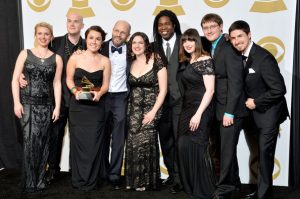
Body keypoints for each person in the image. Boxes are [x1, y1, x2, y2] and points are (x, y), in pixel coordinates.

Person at [19, 13, 85, 182]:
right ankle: (52, 171)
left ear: (82, 25)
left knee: (78, 138)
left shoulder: (89, 44)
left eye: (76, 21)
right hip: (57, 99)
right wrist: (21, 74)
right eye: (69, 21)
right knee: (54, 137)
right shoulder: (55, 42)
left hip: (81, 100)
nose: (72, 24)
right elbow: (37, 61)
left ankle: (76, 172)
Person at [229, 20, 289, 199]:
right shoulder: (239, 54)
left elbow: (279, 89)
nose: (236, 41)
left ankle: (264, 195)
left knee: (264, 155)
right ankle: (261, 191)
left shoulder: (263, 57)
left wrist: (257, 102)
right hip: (253, 116)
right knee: (259, 154)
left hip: (269, 113)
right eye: (232, 38)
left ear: (249, 35)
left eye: (240, 36)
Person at [201, 13, 248, 199]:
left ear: (221, 27)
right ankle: (234, 184)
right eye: (205, 28)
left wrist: (230, 112)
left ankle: (224, 188)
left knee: (226, 151)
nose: (209, 30)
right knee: (225, 149)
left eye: (213, 26)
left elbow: (236, 83)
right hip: (219, 109)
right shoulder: (211, 46)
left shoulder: (228, 48)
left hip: (231, 110)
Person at [11, 22, 63, 192]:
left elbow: (57, 84)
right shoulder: (24, 54)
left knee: (44, 143)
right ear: (35, 35)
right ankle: (29, 182)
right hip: (27, 104)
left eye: (46, 34)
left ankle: (40, 180)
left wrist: (57, 107)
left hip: (47, 107)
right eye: (40, 33)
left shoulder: (57, 58)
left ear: (51, 36)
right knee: (29, 143)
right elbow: (14, 79)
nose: (43, 37)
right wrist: (16, 102)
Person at [66, 25, 111, 191]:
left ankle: (91, 180)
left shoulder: (105, 61)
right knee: (78, 144)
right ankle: (78, 180)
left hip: (96, 108)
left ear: (102, 42)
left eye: (98, 39)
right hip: (77, 107)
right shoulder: (75, 58)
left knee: (94, 144)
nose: (94, 41)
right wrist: (74, 92)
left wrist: (99, 94)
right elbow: (69, 80)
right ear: (86, 39)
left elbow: (105, 85)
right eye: (91, 37)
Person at [125, 32, 167, 191]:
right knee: (133, 143)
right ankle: (134, 181)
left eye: (140, 43)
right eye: (133, 43)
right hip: (132, 109)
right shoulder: (130, 62)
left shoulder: (157, 60)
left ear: (146, 45)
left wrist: (153, 112)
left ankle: (147, 181)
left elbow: (163, 90)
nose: (136, 45)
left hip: (151, 108)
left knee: (146, 143)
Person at [177, 28, 216, 198]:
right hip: (187, 108)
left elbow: (210, 90)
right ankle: (191, 185)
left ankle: (204, 190)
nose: (187, 43)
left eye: (190, 40)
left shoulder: (205, 59)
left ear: (197, 42)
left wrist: (198, 114)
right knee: (183, 145)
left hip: (201, 108)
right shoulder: (188, 61)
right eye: (184, 41)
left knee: (197, 145)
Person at [152, 9, 183, 192]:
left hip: (181, 101)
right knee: (166, 141)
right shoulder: (152, 46)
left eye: (167, 23)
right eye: (160, 24)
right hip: (162, 103)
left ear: (174, 25)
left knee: (180, 141)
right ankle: (172, 175)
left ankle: (180, 178)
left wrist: (226, 36)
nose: (164, 27)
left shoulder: (185, 42)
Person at [100, 20, 131, 189]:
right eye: (116, 30)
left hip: (121, 98)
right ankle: (102, 171)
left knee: (118, 138)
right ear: (112, 30)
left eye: (123, 32)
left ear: (128, 36)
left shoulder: (132, 50)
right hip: (102, 97)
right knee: (101, 135)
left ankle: (114, 173)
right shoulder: (100, 46)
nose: (119, 34)